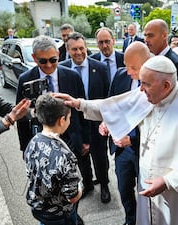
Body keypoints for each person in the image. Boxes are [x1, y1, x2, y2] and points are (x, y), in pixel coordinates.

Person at [53, 55, 178, 225]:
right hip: (151, 192)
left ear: (166, 85)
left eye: (145, 84)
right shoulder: (150, 94)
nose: (140, 89)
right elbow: (113, 106)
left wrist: (167, 181)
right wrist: (79, 104)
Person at [15, 35, 89, 224]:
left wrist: (86, 139)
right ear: (33, 57)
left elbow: (82, 110)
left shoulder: (72, 76)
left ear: (58, 54)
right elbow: (20, 119)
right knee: (49, 187)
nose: (48, 65)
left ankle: (70, 212)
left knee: (70, 181)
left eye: (53, 60)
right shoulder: (25, 79)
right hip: (42, 142)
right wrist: (25, 148)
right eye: (43, 61)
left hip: (71, 139)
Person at [100, 42, 150, 225]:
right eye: (126, 66)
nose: (128, 71)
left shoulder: (156, 82)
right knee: (124, 189)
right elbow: (112, 106)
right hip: (121, 150)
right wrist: (106, 123)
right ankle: (130, 220)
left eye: (133, 67)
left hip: (143, 149)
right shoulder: (121, 75)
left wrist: (132, 139)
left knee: (146, 193)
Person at [60, 32, 110, 203]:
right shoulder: (63, 69)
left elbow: (107, 97)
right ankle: (88, 184)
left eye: (81, 48)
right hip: (74, 124)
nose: (79, 52)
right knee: (81, 156)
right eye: (74, 49)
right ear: (68, 50)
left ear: (86, 47)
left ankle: (104, 184)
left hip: (96, 121)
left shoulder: (101, 68)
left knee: (100, 156)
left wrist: (106, 119)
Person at [25, 94, 83, 225]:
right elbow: (72, 197)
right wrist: (80, 186)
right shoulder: (65, 155)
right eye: (69, 118)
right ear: (62, 120)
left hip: (39, 209)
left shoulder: (34, 141)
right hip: (60, 215)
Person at [143, 19, 178, 87]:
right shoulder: (149, 60)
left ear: (164, 36)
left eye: (150, 35)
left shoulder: (176, 64)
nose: (146, 39)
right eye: (145, 35)